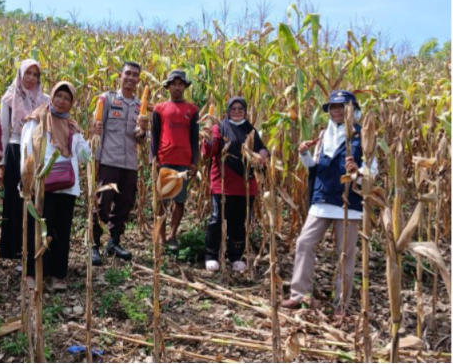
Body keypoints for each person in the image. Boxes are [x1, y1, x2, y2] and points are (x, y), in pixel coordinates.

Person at [281, 90, 377, 315]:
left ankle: (341, 305)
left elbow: (373, 171)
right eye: (333, 107)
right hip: (322, 199)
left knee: (345, 254)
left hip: (349, 204)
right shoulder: (323, 135)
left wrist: (358, 171)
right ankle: (299, 295)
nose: (336, 111)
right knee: (304, 243)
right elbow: (315, 167)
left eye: (341, 106)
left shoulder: (362, 136)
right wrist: (303, 154)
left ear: (352, 109)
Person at [21, 81, 91, 290]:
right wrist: (27, 181)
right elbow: (26, 151)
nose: (62, 101)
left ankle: (57, 274)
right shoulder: (36, 120)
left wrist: (94, 139)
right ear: (51, 96)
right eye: (58, 96)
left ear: (72, 103)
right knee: (39, 229)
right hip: (41, 184)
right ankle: (33, 273)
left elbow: (84, 156)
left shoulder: (72, 126)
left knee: (61, 230)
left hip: (67, 187)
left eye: (67, 98)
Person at [201, 96, 269, 272]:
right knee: (216, 220)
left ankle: (236, 256)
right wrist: (208, 140)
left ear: (245, 111)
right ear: (228, 110)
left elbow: (261, 148)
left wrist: (262, 156)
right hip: (222, 182)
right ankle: (211, 255)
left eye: (240, 108)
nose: (237, 111)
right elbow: (209, 151)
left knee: (238, 222)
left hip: (245, 185)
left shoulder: (250, 129)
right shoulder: (219, 127)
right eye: (233, 108)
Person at [92, 62, 148, 265]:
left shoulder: (139, 106)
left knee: (125, 204)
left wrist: (143, 130)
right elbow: (98, 131)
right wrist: (96, 160)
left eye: (135, 75)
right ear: (120, 75)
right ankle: (94, 244)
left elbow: (140, 140)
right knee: (102, 203)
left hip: (130, 163)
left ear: (138, 80)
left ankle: (114, 242)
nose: (131, 78)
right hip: (109, 160)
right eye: (128, 74)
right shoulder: (107, 99)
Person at [0, 59, 49, 261]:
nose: (31, 78)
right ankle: (15, 250)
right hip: (15, 150)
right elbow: (4, 131)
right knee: (15, 201)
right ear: (20, 74)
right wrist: (2, 163)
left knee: (35, 202)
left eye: (36, 75)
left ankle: (32, 249)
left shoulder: (45, 100)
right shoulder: (9, 98)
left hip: (36, 154)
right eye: (28, 73)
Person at [150, 69, 199, 251]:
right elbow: (154, 136)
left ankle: (173, 235)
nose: (177, 87)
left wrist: (195, 161)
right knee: (163, 200)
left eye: (180, 84)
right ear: (168, 87)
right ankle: (161, 237)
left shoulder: (192, 110)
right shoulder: (159, 109)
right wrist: (153, 159)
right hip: (164, 160)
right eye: (174, 84)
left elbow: (195, 138)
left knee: (180, 200)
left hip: (184, 162)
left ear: (185, 87)